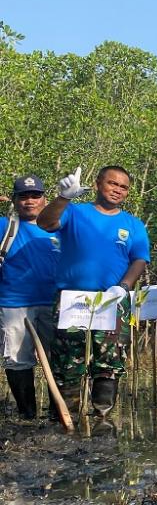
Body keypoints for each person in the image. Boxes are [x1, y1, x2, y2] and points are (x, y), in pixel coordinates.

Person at [37, 166, 150, 416]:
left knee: (108, 363)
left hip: (111, 300)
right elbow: (45, 223)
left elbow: (139, 259)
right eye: (113, 184)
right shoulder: (75, 212)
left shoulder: (133, 224)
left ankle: (102, 422)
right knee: (67, 362)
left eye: (123, 187)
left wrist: (124, 287)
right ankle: (65, 422)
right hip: (71, 300)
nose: (117, 190)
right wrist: (64, 196)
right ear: (98, 183)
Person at [0, 175, 60, 418]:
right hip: (14, 304)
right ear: (14, 201)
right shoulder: (6, 226)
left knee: (59, 362)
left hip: (55, 304)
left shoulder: (60, 226)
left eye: (35, 195)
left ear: (45, 199)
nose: (29, 201)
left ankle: (57, 415)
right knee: (17, 360)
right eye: (23, 196)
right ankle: (27, 416)